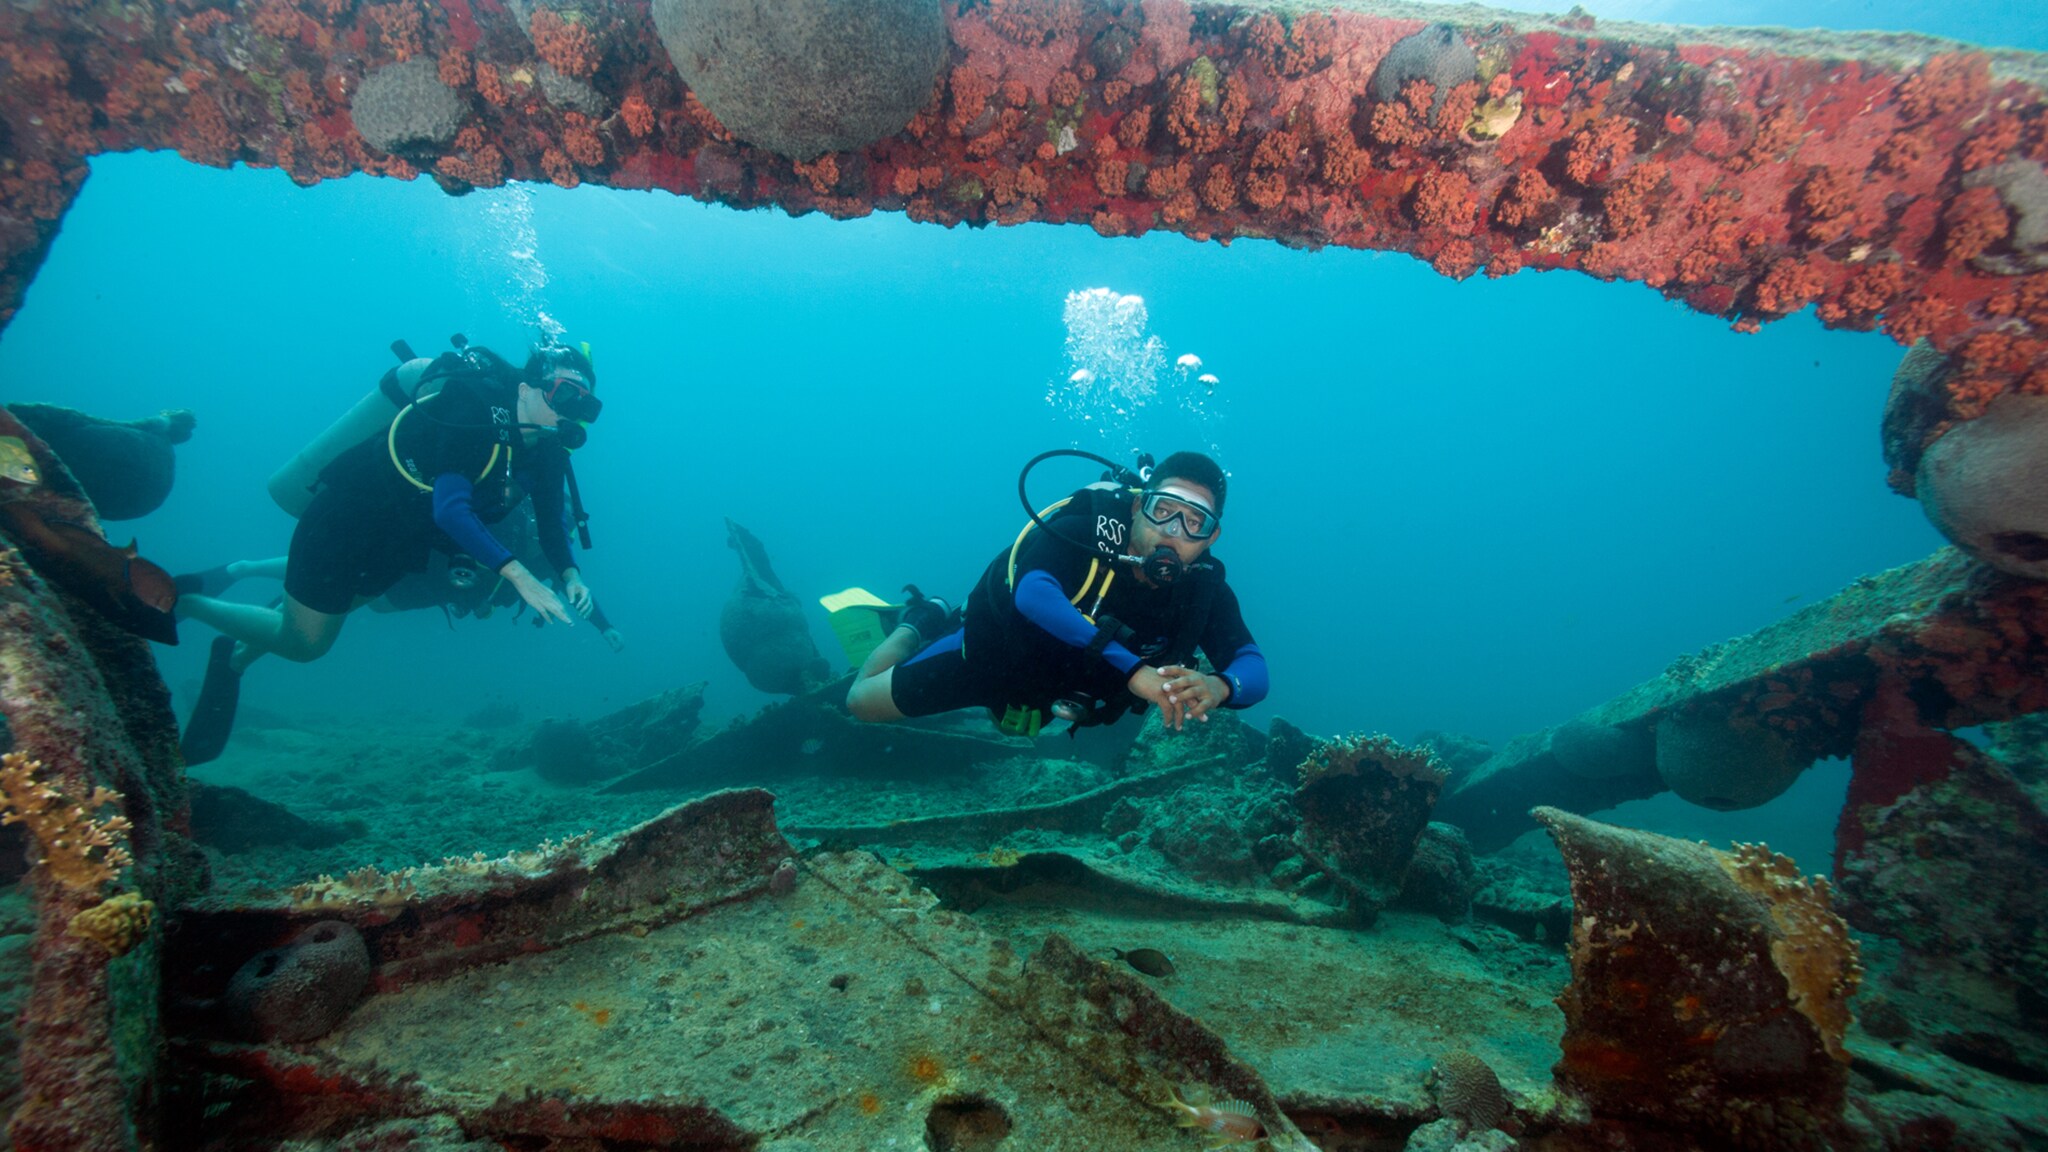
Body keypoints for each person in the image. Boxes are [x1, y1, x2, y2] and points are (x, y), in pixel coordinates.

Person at [175, 336, 605, 762]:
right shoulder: (472, 406)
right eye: (564, 393)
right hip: (347, 520)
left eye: (585, 405)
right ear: (526, 388)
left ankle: (234, 654)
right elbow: (451, 509)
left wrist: (571, 575)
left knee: (317, 622)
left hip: (399, 547)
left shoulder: (547, 453)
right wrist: (518, 575)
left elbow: (550, 527)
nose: (571, 410)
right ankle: (188, 601)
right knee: (306, 644)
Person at [845, 451, 1268, 738]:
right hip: (994, 658)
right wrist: (1133, 670)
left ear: (1212, 536)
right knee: (860, 703)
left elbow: (1253, 666)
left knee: (1012, 727)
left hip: (1057, 695)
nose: (1174, 531)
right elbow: (1033, 594)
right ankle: (923, 621)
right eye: (1163, 510)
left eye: (1195, 521)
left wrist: (1220, 687)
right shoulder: (1084, 533)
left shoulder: (1203, 589)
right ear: (1138, 507)